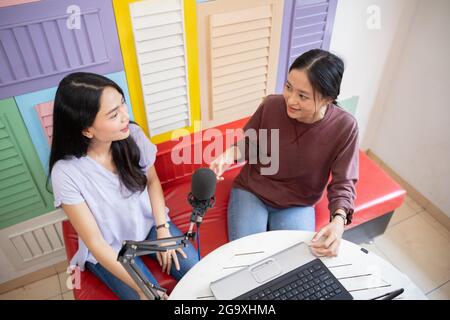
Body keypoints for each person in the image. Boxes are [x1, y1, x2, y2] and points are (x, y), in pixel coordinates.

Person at [49, 72, 199, 300]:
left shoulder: (133, 134)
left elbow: (152, 181)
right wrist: (142, 287)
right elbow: (96, 243)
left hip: (149, 225)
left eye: (122, 104)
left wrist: (162, 229)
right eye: (113, 114)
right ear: (87, 129)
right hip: (111, 249)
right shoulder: (65, 173)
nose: (125, 116)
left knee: (198, 275)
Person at [210, 49, 359, 257]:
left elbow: (344, 181)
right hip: (253, 192)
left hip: (298, 203)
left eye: (303, 96)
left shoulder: (345, 126)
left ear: (327, 98)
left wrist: (339, 220)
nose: (290, 100)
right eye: (288, 87)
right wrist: (229, 154)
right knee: (245, 259)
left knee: (293, 263)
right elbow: (251, 144)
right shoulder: (272, 105)